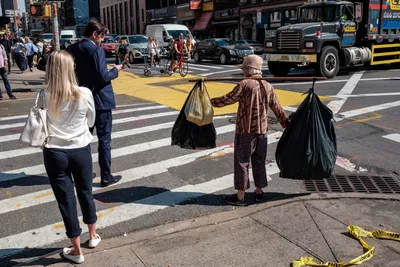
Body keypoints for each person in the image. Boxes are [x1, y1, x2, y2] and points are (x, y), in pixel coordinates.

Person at [38, 50, 100, 264]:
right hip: (81, 148)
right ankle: (92, 236)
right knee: (86, 192)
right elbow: (91, 119)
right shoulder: (84, 93)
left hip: (55, 152)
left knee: (66, 201)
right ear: (70, 68)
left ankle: (76, 250)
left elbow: (40, 123)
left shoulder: (43, 94)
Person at [210, 55, 288, 206]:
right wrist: (285, 122)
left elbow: (227, 99)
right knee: (259, 161)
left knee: (242, 162)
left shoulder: (245, 84)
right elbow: (277, 108)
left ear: (250, 69)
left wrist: (209, 101)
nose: (243, 70)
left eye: (244, 68)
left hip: (245, 131)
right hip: (263, 132)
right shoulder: (267, 85)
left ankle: (240, 196)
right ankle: (259, 192)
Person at [67, 19, 123, 187]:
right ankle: (106, 176)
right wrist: (115, 70)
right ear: (94, 34)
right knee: (104, 141)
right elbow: (103, 77)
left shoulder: (71, 49)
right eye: (102, 36)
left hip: (82, 101)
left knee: (82, 139)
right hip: (101, 102)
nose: (103, 40)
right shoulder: (96, 50)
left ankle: (81, 174)